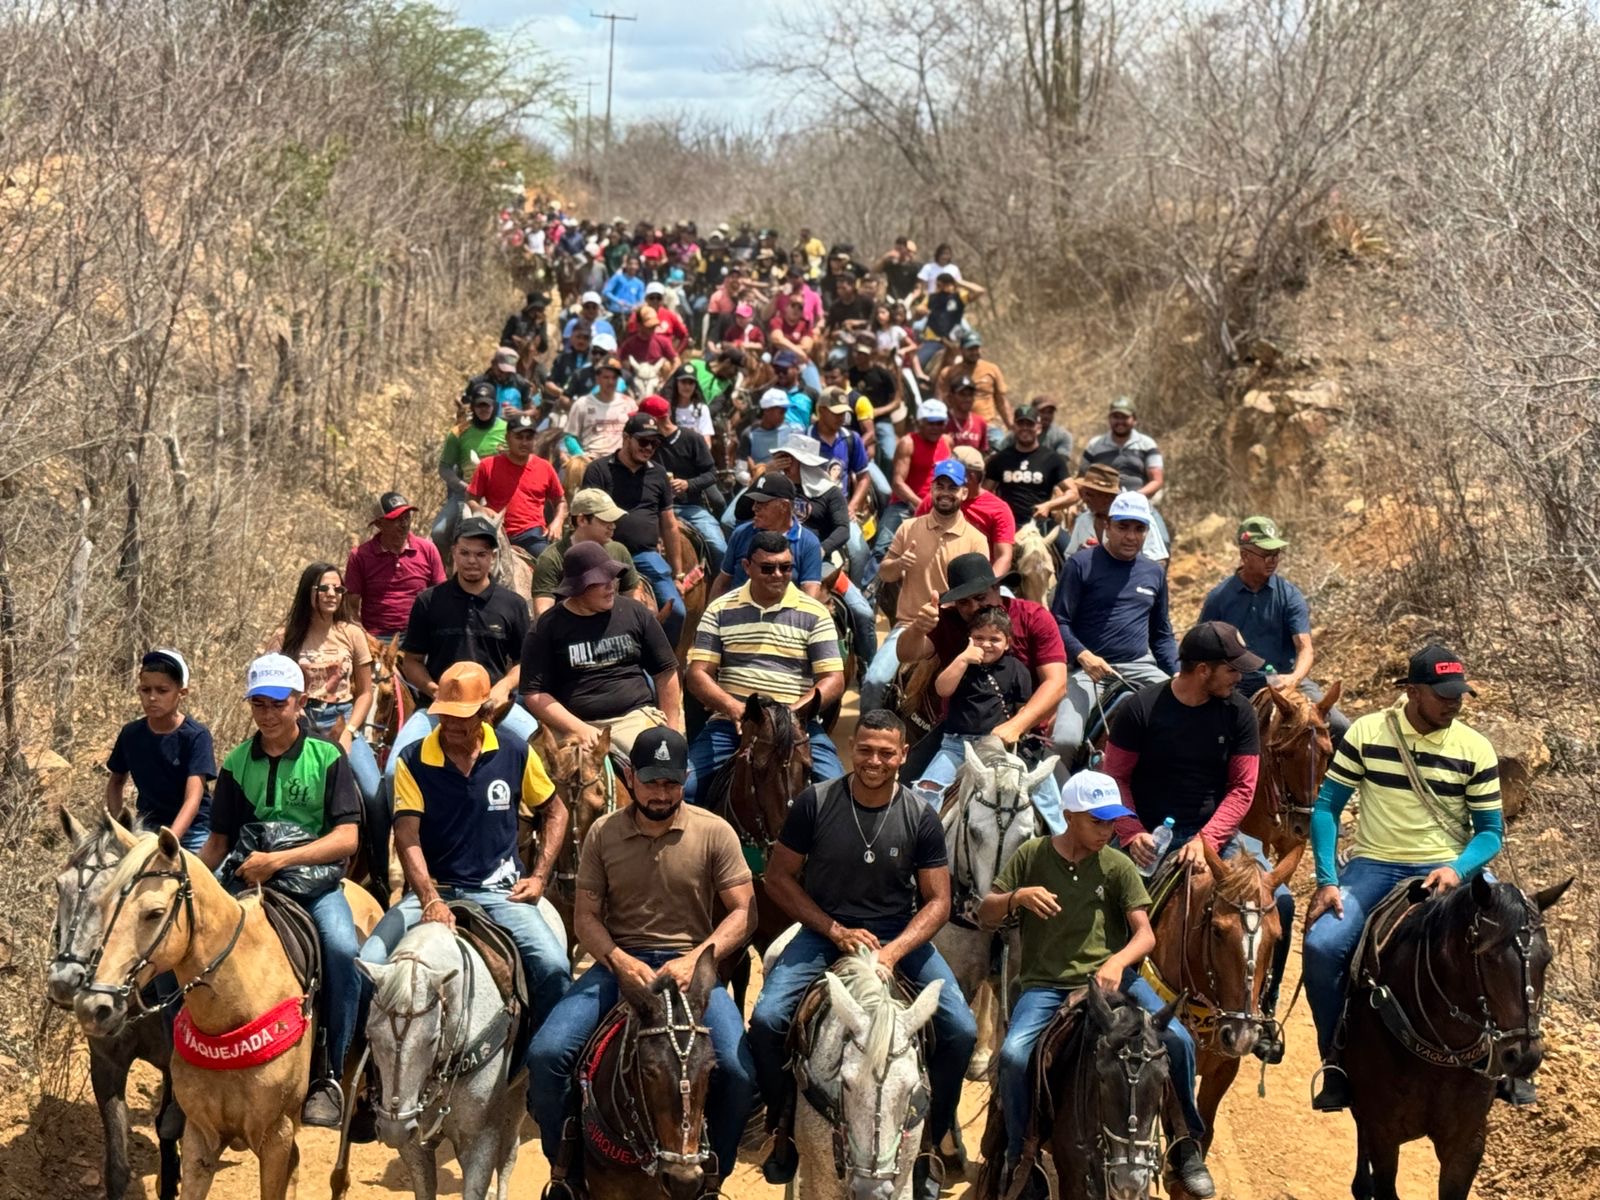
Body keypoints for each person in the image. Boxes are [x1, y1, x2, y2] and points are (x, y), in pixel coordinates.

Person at [749, 711, 977, 1200]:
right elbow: (777, 878)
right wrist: (832, 929)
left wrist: (894, 952)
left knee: (961, 1030)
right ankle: (783, 1127)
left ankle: (930, 1142)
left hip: (896, 935)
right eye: (866, 750)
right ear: (852, 748)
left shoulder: (919, 814)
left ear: (904, 755)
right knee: (767, 1020)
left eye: (886, 753)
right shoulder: (815, 802)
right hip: (823, 931)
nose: (875, 761)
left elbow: (938, 902)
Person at [526, 728, 757, 1192]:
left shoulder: (715, 832)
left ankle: (714, 1174)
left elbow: (744, 912)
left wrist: (695, 959)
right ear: (630, 777)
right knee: (547, 1055)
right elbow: (586, 917)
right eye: (651, 781)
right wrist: (617, 959)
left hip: (690, 972)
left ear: (685, 778)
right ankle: (567, 1171)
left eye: (671, 782)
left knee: (737, 1072)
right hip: (618, 968)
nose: (661, 793)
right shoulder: (603, 833)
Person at [980, 772, 1214, 1200]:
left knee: (1179, 1040)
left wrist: (1117, 961)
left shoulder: (1118, 865)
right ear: (1069, 815)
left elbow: (1144, 935)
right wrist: (1016, 898)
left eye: (1112, 821)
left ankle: (1185, 1143)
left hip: (1116, 980)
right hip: (1046, 985)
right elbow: (986, 913)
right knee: (1013, 1056)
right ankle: (1020, 1153)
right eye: (1097, 821)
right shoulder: (1032, 855)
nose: (1107, 830)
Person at [1303, 645, 1505, 1113]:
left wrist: (1457, 869)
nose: (1454, 703)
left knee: (1514, 936)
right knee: (1323, 947)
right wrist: (1327, 879)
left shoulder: (1475, 748)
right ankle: (1336, 1060)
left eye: (1459, 694)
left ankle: (1507, 1057)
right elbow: (1327, 807)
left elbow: (1490, 832)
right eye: (1443, 694)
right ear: (1412, 692)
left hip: (1449, 867)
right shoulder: (1367, 733)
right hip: (1375, 864)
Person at [1101, 621, 1289, 1063]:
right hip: (1147, 834)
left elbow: (1242, 788)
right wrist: (1131, 831)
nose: (1240, 678)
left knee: (1279, 903)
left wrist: (1207, 840)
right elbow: (1115, 778)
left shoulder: (1239, 713)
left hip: (1215, 834)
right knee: (1106, 907)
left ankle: (1262, 1008)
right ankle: (1104, 1002)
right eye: (1232, 669)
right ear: (1203, 670)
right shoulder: (1140, 709)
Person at [358, 661, 572, 1028]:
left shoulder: (515, 751)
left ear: (486, 712)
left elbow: (555, 811)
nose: (452, 725)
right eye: (446, 715)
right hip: (434, 890)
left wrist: (538, 877)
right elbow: (407, 835)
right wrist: (430, 899)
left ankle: (541, 1052)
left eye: (463, 717)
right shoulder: (413, 759)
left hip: (501, 892)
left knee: (553, 966)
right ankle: (363, 1061)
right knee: (369, 963)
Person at [198, 654, 362, 1127]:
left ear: (300, 703)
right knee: (183, 947)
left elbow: (346, 838)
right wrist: (186, 880)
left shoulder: (327, 757)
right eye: (258, 704)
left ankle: (330, 1073)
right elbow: (219, 842)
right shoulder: (235, 763)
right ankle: (181, 1071)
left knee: (342, 949)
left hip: (313, 886)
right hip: (247, 880)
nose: (267, 714)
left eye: (277, 704)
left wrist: (279, 861)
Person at [894, 553, 1070, 828]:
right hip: (958, 733)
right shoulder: (947, 620)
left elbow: (1056, 683)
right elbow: (906, 654)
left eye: (980, 597)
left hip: (1022, 736)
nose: (974, 607)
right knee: (907, 798)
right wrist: (917, 628)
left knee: (1062, 812)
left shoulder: (1034, 617)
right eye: (964, 601)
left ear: (997, 589)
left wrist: (1016, 726)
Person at [685, 531, 847, 805]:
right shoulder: (719, 609)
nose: (778, 575)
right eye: (768, 568)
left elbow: (833, 679)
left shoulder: (815, 612)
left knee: (837, 797)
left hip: (796, 725)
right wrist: (733, 708)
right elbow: (697, 673)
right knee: (683, 790)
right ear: (747, 567)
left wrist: (791, 714)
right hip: (732, 725)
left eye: (786, 567)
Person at [387, 517, 537, 778]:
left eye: (480, 554)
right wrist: (434, 690)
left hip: (493, 708)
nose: (472, 561)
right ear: (453, 552)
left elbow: (524, 663)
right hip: (438, 708)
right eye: (465, 553)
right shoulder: (429, 601)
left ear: (493, 557)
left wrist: (503, 688)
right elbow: (412, 661)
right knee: (394, 771)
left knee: (542, 756)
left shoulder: (512, 604)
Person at [1050, 492, 1178, 767]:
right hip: (1087, 671)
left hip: (1140, 666)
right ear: (1107, 526)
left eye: (1139, 529)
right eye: (1123, 527)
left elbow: (1161, 633)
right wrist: (1084, 656)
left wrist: (1179, 673)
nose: (1131, 536)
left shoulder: (1154, 572)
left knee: (1189, 722)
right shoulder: (1081, 564)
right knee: (1065, 740)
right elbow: (1059, 621)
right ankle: (1053, 795)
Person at [522, 542, 682, 755]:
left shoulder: (635, 613)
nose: (611, 586)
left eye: (612, 578)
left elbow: (666, 672)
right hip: (571, 724)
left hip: (632, 719)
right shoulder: (546, 627)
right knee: (540, 770)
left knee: (661, 764)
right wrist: (577, 728)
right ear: (578, 587)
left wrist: (672, 731)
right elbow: (535, 693)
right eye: (601, 581)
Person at [1199, 516, 1351, 740]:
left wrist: (1294, 678)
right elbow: (1202, 648)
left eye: (1276, 554)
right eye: (1266, 554)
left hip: (1284, 680)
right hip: (1237, 683)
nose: (1272, 561)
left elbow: (1305, 647)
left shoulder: (1289, 595)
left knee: (1339, 726)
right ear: (1244, 555)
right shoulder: (1219, 598)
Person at [862, 460, 990, 714]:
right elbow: (885, 573)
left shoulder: (977, 539)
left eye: (952, 488)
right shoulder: (908, 528)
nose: (945, 493)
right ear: (931, 489)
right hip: (910, 625)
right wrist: (899, 563)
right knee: (874, 681)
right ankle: (869, 732)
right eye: (940, 486)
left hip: (955, 628)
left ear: (964, 493)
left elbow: (981, 592)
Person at [264, 562, 381, 809]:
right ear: (308, 591)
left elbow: (365, 693)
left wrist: (349, 731)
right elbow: (268, 687)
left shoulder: (352, 633)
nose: (331, 594)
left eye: (338, 589)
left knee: (374, 794)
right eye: (323, 588)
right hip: (298, 721)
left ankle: (380, 837)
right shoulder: (284, 638)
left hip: (343, 719)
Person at [581, 413, 686, 646]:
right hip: (605, 554)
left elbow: (669, 523)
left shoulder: (659, 473)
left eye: (654, 443)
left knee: (677, 612)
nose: (648, 448)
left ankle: (662, 659)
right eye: (643, 441)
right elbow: (586, 518)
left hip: (646, 554)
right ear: (626, 438)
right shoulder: (598, 470)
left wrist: (678, 574)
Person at [913, 605, 1035, 800]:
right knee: (926, 790)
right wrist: (963, 660)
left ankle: (1058, 820)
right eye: (979, 638)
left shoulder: (1017, 669)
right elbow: (942, 689)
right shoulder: (961, 664)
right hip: (956, 746)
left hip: (998, 747)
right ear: (969, 638)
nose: (986, 644)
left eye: (994, 639)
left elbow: (1023, 709)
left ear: (1007, 643)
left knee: (1042, 791)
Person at [105, 648, 215, 852]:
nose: (152, 698)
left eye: (162, 691)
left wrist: (169, 840)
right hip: (148, 826)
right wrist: (121, 829)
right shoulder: (131, 734)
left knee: (209, 869)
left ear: (181, 693)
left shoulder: (196, 736)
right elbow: (116, 781)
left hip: (194, 829)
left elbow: (193, 797)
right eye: (145, 690)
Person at [345, 492, 446, 641]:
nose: (404, 523)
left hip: (418, 635)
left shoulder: (427, 549)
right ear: (380, 524)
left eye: (407, 517)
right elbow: (351, 607)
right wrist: (366, 639)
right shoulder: (360, 556)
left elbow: (442, 595)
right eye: (397, 519)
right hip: (377, 637)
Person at [529, 488, 644, 618]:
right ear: (582, 520)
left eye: (613, 521)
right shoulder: (551, 558)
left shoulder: (618, 551)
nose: (612, 526)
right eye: (605, 520)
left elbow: (633, 598)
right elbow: (543, 614)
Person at [466, 412, 567, 559]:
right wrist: (479, 509)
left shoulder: (545, 467)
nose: (524, 442)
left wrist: (558, 522)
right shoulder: (487, 465)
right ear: (507, 438)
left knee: (550, 563)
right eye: (519, 437)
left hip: (532, 534)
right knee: (467, 559)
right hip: (493, 533)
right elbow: (471, 498)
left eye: (529, 438)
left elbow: (560, 501)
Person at [712, 472, 825, 601]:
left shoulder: (808, 543)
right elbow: (722, 581)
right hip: (738, 611)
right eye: (755, 502)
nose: (754, 508)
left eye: (762, 503)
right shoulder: (741, 533)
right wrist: (711, 613)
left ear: (784, 506)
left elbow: (810, 592)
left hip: (785, 613)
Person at [913, 445, 1016, 576]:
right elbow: (913, 538)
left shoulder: (998, 509)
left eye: (954, 471)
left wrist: (987, 584)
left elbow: (1004, 556)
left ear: (970, 477)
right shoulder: (935, 500)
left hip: (976, 578)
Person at [646, 393, 725, 562]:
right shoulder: (646, 444)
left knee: (719, 549)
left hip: (690, 507)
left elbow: (711, 474)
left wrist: (688, 484)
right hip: (653, 509)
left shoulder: (692, 439)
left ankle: (723, 579)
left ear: (654, 420)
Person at [874, 399, 953, 557]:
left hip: (938, 506)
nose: (935, 428)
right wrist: (921, 505)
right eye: (931, 423)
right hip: (905, 505)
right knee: (883, 548)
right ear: (920, 422)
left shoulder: (947, 441)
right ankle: (873, 574)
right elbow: (898, 483)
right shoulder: (908, 443)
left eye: (939, 423)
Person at [436, 384, 507, 547]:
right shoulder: (457, 432)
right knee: (438, 532)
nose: (483, 409)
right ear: (473, 406)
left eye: (487, 405)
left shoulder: (507, 430)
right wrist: (463, 486)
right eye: (479, 405)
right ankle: (445, 561)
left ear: (494, 405)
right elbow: (444, 467)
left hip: (500, 493)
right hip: (466, 492)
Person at [983, 404, 1074, 528]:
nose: (1025, 428)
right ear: (1014, 427)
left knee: (1068, 541)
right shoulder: (1000, 459)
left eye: (1030, 424)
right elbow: (984, 492)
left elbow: (1073, 493)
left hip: (1040, 526)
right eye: (1021, 424)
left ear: (1038, 428)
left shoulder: (1052, 459)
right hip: (1006, 526)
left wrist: (1049, 506)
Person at [1059, 465, 1171, 563]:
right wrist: (1081, 554)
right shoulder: (1083, 520)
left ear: (1107, 497)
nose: (1085, 499)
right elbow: (1070, 557)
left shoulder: (1140, 519)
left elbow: (1157, 561)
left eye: (1090, 495)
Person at [1079, 397, 1165, 498]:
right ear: (1109, 419)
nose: (1120, 421)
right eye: (1116, 417)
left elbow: (1156, 480)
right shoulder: (1094, 445)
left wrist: (1135, 496)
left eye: (1125, 417)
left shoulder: (1147, 444)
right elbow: (1082, 478)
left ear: (1134, 420)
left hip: (1138, 502)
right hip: (1100, 503)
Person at [938, 332, 1011, 432]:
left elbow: (1001, 401)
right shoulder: (948, 373)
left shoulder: (992, 369)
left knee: (999, 441)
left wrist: (1011, 426)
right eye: (970, 349)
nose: (974, 352)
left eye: (977, 348)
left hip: (988, 426)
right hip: (959, 427)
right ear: (961, 350)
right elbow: (942, 401)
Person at [565, 356, 637, 458]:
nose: (611, 382)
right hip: (592, 458)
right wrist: (582, 457)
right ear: (597, 379)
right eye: (606, 377)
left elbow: (637, 433)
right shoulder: (581, 404)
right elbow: (569, 437)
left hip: (621, 460)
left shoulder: (629, 404)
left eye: (614, 378)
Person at [465, 346, 537, 418]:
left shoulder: (522, 384)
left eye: (508, 373)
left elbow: (533, 411)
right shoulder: (477, 383)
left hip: (512, 424)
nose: (504, 375)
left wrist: (520, 413)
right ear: (493, 364)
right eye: (501, 371)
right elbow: (465, 408)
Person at [739, 389, 794, 474]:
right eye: (781, 412)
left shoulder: (790, 431)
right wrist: (763, 472)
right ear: (767, 410)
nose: (784, 416)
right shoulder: (749, 434)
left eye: (785, 412)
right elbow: (740, 472)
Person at [616, 305, 678, 374]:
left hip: (657, 377)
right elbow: (618, 359)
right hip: (637, 377)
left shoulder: (663, 341)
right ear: (639, 325)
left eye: (654, 325)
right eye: (650, 326)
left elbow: (676, 361)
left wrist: (670, 376)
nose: (653, 328)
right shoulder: (630, 344)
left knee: (666, 365)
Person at [500, 291, 550, 364]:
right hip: (512, 355)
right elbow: (503, 341)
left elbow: (543, 347)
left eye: (542, 310)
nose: (540, 312)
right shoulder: (516, 318)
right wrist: (516, 343)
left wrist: (538, 327)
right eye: (538, 309)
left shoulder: (541, 323)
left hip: (529, 358)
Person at [601, 254, 646, 320]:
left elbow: (641, 300)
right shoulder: (618, 277)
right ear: (626, 265)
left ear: (638, 266)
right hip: (616, 313)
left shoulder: (639, 283)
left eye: (635, 264)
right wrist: (617, 301)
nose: (633, 266)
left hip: (631, 314)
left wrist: (637, 306)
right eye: (630, 264)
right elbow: (606, 292)